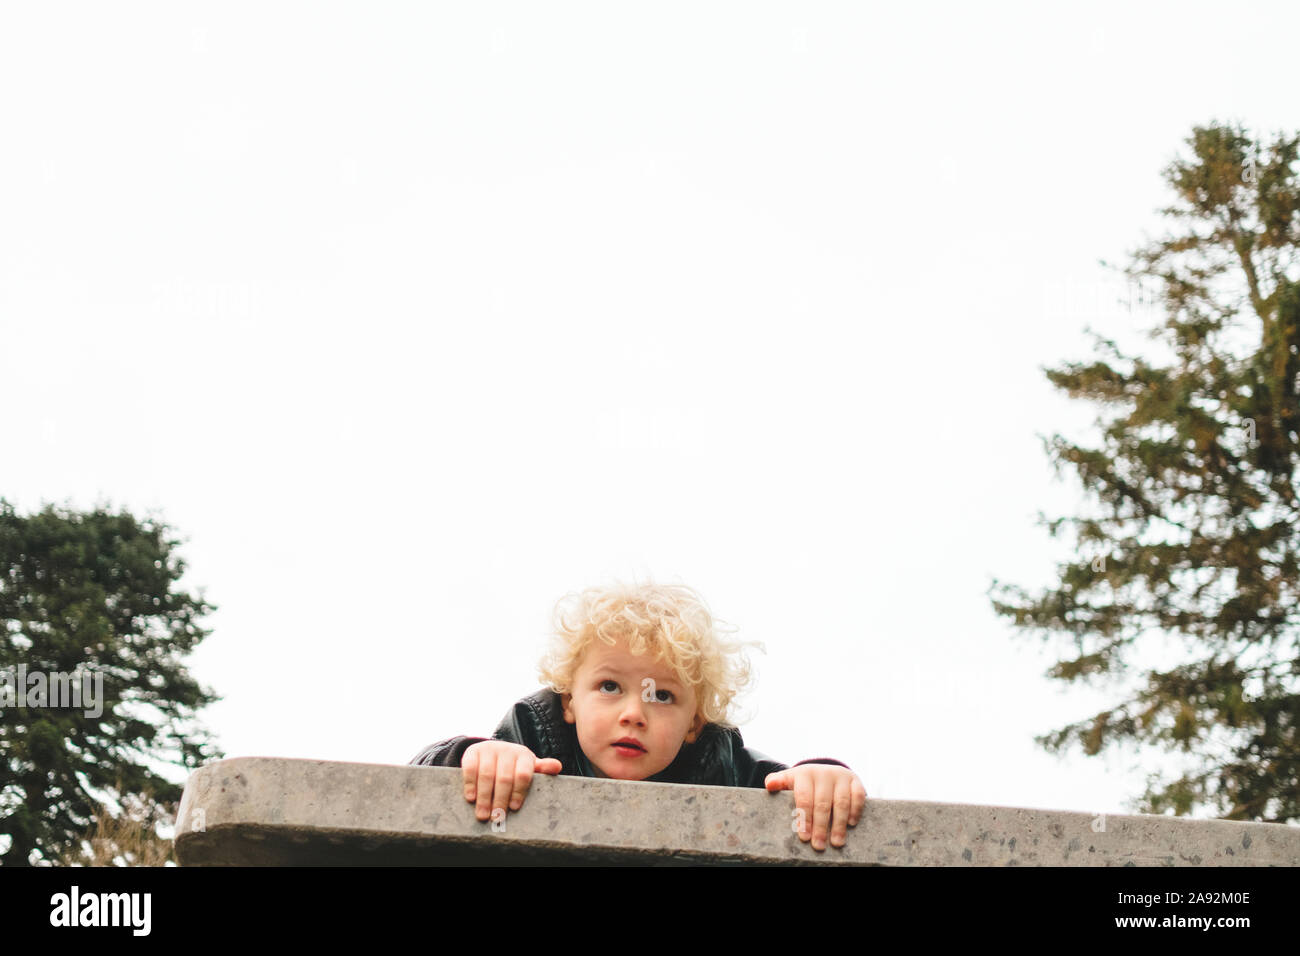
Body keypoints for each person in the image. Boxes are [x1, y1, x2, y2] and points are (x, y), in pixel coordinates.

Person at [409, 579, 867, 851]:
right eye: (610, 687)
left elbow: (783, 786)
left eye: (662, 696)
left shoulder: (719, 762)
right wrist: (476, 756)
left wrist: (821, 777)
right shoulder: (533, 737)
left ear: (694, 725)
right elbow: (416, 779)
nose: (634, 713)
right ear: (569, 701)